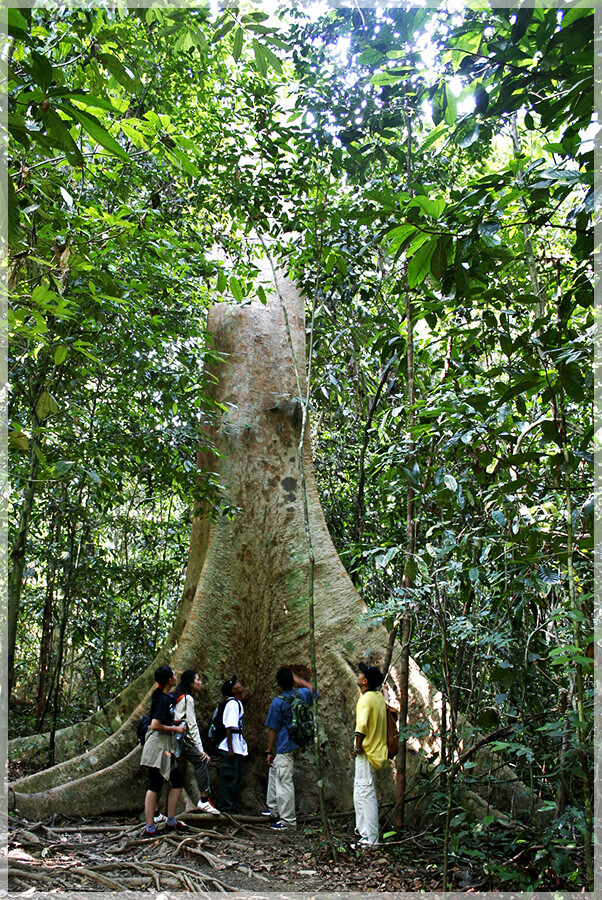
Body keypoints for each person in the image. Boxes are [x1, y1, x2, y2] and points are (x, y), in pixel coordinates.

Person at [262, 668, 315, 831]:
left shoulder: (278, 702)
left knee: (284, 781)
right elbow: (315, 692)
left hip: (285, 745)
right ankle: (274, 809)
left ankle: (288, 821)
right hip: (299, 742)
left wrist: (269, 751)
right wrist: (301, 681)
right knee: (276, 772)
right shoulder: (303, 693)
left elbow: (273, 729)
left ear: (278, 684)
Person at [140, 665, 190, 836]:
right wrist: (175, 729)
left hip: (165, 748)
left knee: (178, 781)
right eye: (174, 674)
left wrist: (175, 723)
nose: (176, 676)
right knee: (154, 785)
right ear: (170, 680)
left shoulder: (165, 698)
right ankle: (150, 827)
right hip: (157, 747)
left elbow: (161, 720)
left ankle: (171, 821)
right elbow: (155, 725)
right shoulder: (162, 699)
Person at [173, 670, 220, 815]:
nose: (200, 682)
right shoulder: (188, 699)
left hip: (171, 738)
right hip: (180, 740)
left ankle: (158, 814)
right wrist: (201, 750)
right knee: (202, 761)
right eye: (198, 679)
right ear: (191, 684)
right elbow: (192, 726)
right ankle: (204, 801)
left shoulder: (177, 697)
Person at [353, 662, 388, 847]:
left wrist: (357, 747)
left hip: (366, 753)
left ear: (365, 681)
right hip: (376, 752)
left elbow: (361, 728)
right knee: (361, 793)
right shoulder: (378, 697)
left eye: (360, 674)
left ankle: (371, 839)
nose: (358, 675)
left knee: (365, 795)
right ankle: (364, 836)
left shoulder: (365, 700)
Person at [215, 675, 248, 813]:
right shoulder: (233, 704)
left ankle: (231, 807)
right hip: (231, 746)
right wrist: (230, 749)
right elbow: (229, 726)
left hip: (237, 746)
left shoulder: (237, 703)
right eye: (236, 684)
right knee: (229, 779)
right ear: (232, 691)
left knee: (237, 778)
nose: (239, 683)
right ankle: (224, 808)